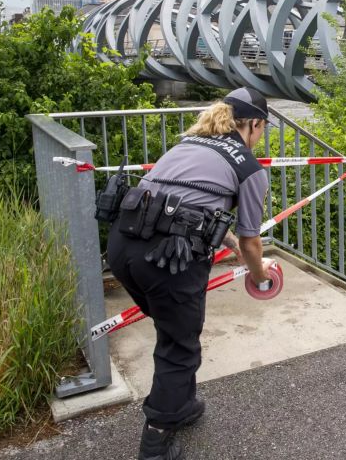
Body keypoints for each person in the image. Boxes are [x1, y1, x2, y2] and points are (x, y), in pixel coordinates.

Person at [106, 87, 273, 460]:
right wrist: (260, 276)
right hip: (169, 259)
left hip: (122, 247)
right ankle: (156, 439)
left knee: (173, 330)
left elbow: (187, 204)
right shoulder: (248, 167)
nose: (262, 137)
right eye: (263, 129)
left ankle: (180, 404)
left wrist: (226, 245)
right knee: (179, 347)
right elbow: (252, 243)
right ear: (255, 125)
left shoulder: (188, 145)